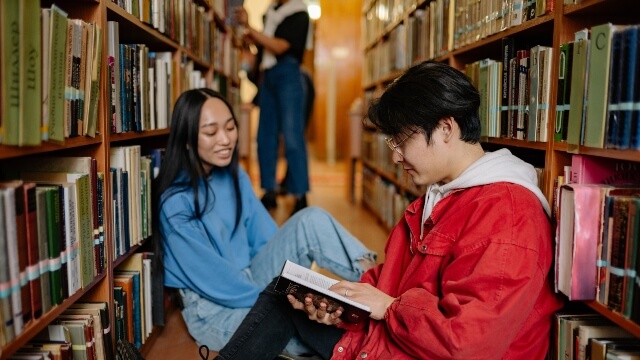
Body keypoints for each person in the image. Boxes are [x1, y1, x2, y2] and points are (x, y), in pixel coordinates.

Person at [214, 61, 565, 360]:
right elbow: (397, 279)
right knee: (284, 294)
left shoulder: (509, 216)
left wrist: (389, 307)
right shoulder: (445, 194)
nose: (396, 156)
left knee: (275, 313)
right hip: (396, 340)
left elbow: (469, 344)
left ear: (445, 128)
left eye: (401, 140)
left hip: (410, 348)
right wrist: (343, 302)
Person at [152, 88, 377, 355]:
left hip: (256, 281)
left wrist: (298, 286)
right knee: (318, 336)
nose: (225, 140)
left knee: (310, 219)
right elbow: (218, 282)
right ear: (187, 140)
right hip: (216, 309)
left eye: (230, 127)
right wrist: (284, 300)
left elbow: (269, 240)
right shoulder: (175, 203)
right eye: (211, 133)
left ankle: (381, 289)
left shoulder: (234, 176)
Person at [234, 0, 311, 216]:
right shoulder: (271, 12)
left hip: (288, 75)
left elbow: (279, 46)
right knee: (265, 136)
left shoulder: (299, 13)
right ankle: (269, 191)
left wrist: (250, 29)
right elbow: (264, 47)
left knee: (292, 136)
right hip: (267, 77)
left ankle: (300, 195)